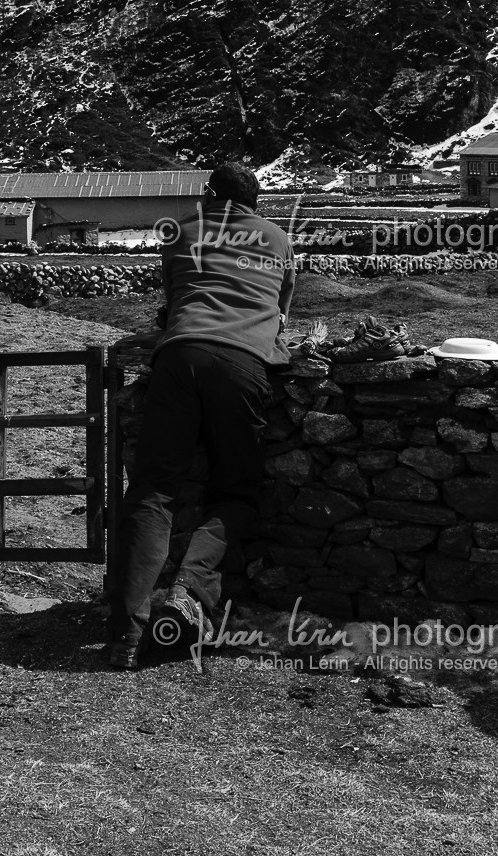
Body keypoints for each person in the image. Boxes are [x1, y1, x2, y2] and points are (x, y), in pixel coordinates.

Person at [107, 160, 294, 671]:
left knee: (153, 490)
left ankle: (125, 631)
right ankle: (190, 589)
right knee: (236, 491)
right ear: (256, 203)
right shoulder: (277, 239)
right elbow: (280, 314)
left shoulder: (182, 232)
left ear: (208, 195)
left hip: (178, 356)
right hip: (242, 364)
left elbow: (173, 302)